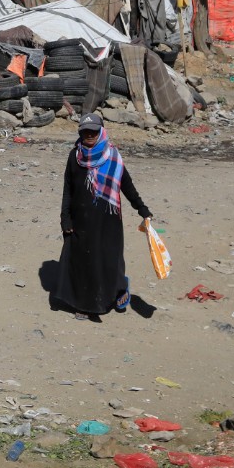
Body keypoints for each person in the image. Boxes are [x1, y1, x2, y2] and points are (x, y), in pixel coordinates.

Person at [56, 114, 153, 320]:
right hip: (80, 220)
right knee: (83, 263)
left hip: (108, 220)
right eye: (85, 131)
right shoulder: (75, 157)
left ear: (101, 131)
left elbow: (126, 186)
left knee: (110, 260)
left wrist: (141, 208)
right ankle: (84, 304)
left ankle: (116, 293)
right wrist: (65, 218)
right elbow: (68, 189)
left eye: (93, 131)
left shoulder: (113, 156)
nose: (89, 135)